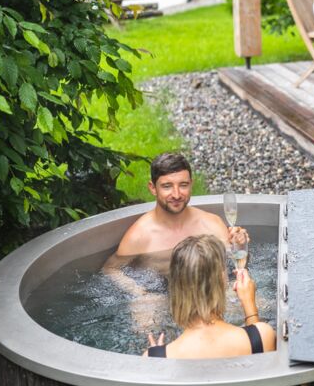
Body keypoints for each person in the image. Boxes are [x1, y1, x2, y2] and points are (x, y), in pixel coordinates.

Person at [144, 235, 276, 359]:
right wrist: (249, 305)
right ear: (222, 279)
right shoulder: (264, 335)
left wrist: (158, 358)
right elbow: (259, 352)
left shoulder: (154, 358)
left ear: (176, 285)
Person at [114, 152, 246, 257]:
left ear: (191, 184)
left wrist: (240, 245)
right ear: (153, 188)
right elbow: (112, 271)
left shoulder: (211, 224)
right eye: (167, 186)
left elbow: (234, 264)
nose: (176, 195)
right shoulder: (140, 236)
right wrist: (141, 292)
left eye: (183, 185)